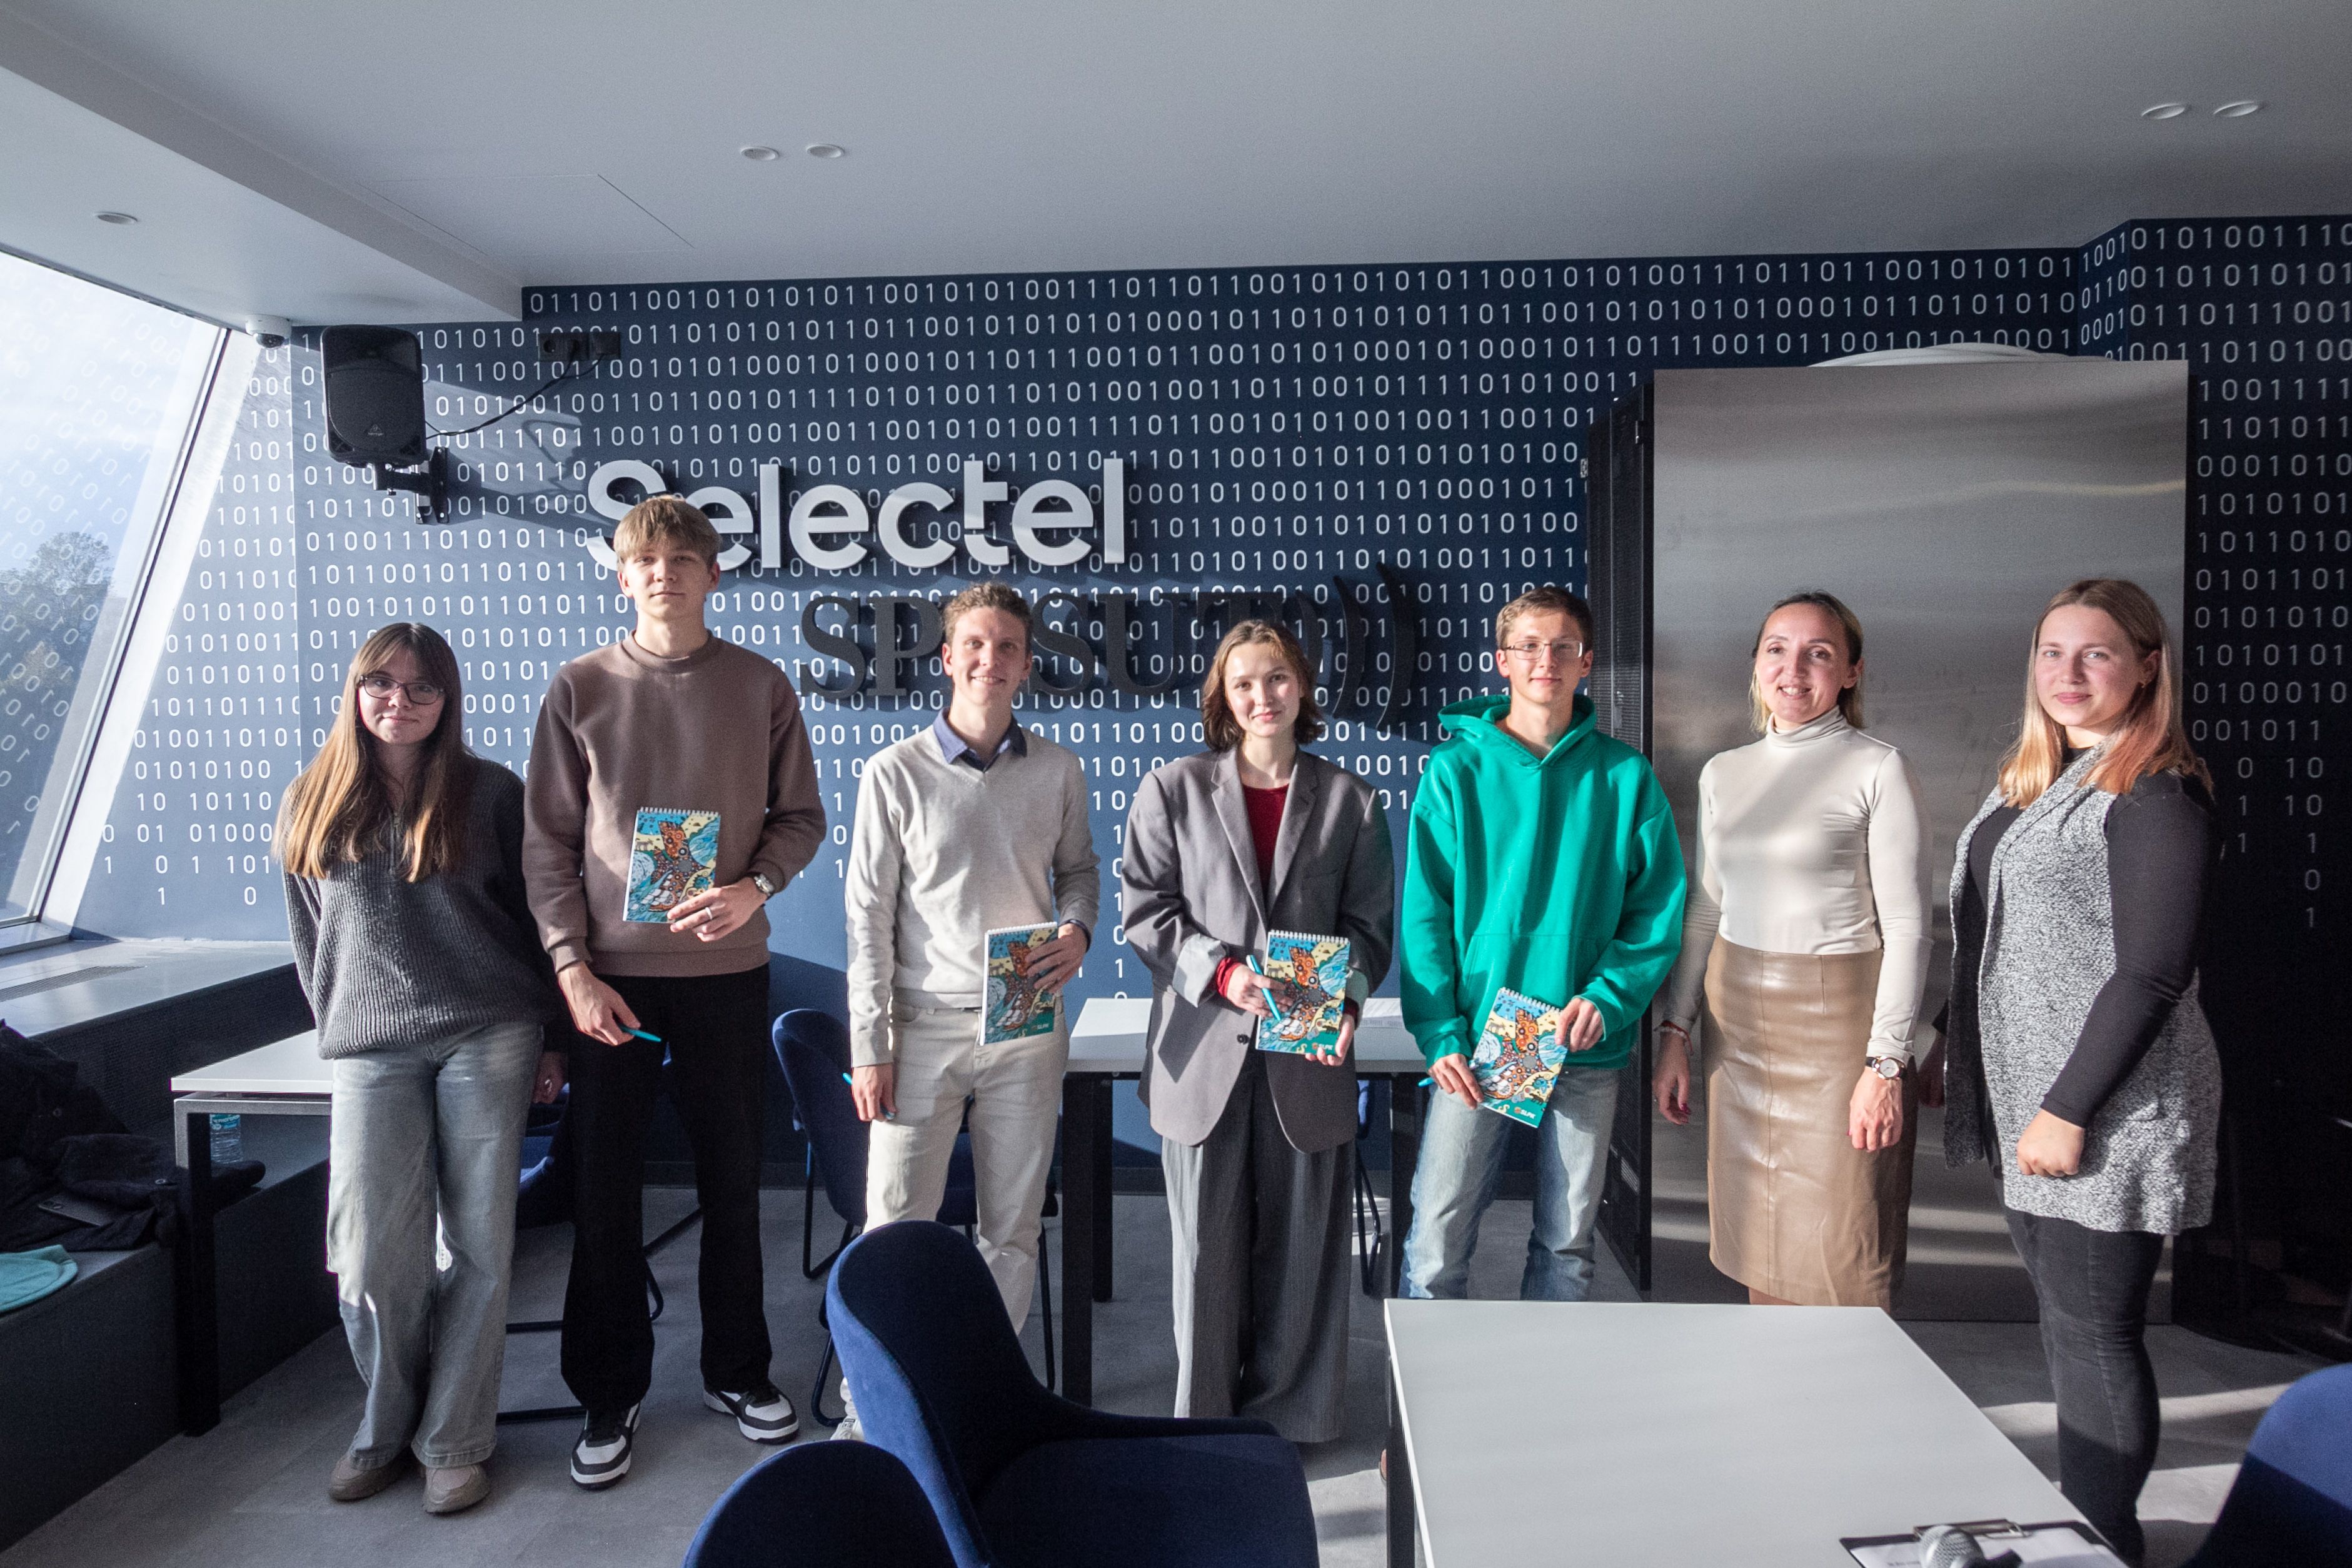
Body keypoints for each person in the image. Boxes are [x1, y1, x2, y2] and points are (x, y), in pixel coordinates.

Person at [523, 495, 825, 1489]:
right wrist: (570, 968)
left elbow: (800, 819)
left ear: (713, 575)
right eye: (647, 561)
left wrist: (754, 887)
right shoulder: (578, 687)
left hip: (725, 979)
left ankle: (737, 1372)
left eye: (683, 559)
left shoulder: (760, 684)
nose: (665, 574)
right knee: (604, 1195)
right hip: (610, 986)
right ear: (623, 577)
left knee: (732, 1185)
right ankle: (608, 1394)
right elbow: (547, 844)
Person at [1929, 578, 2219, 1566]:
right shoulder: (2041, 776)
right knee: (2065, 1323)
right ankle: (2084, 1518)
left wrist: (2066, 1108)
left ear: (2145, 666)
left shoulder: (2156, 794)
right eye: (2051, 652)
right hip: (2032, 1097)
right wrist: (1947, 1038)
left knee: (2095, 1329)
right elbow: (1997, 936)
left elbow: (2151, 973)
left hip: (2107, 1104)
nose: (2067, 673)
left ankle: (2104, 1542)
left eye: (2095, 653)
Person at [281, 623, 566, 1516]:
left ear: (448, 700)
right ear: (355, 690)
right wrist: (338, 1024)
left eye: (421, 687)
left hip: (490, 1030)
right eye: (381, 683)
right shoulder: (311, 798)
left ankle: (454, 1442)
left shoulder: (492, 792)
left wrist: (555, 1037)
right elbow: (309, 937)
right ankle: (385, 1427)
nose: (398, 701)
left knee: (480, 1245)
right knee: (369, 1255)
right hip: (371, 1046)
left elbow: (539, 918)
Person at [1122, 618, 1395, 1442]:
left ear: (1301, 685)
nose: (1262, 696)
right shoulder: (1173, 788)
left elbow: (1369, 930)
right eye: (1243, 683)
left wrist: (1345, 1002)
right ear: (1223, 697)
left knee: (1301, 1256)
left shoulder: (1351, 801)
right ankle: (1207, 1427)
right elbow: (1146, 912)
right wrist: (1221, 972)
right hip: (1202, 1055)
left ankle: (1290, 1423)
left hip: (1304, 1058)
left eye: (1275, 677)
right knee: (1205, 1259)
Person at [1399, 586, 1687, 1300]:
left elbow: (1656, 909)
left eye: (1563, 647)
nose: (1545, 660)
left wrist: (1610, 998)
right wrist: (1439, 1033)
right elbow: (1426, 913)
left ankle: (1548, 1379)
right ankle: (1433, 1379)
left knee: (1567, 1246)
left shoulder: (1625, 776)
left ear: (1587, 662)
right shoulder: (1455, 772)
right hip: (1479, 1043)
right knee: (1435, 1244)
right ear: (1502, 660)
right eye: (1528, 646)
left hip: (1582, 1038)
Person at [1652, 591, 1931, 1309]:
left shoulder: (1879, 768)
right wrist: (1676, 1032)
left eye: (1819, 653)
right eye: (1777, 649)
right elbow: (1707, 908)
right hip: (1738, 1030)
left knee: (1846, 1255)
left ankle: (1849, 1386)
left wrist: (1886, 1064)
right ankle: (1771, 1383)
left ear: (1852, 672)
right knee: (1762, 1244)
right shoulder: (1724, 772)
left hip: (1841, 1037)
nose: (1794, 668)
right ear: (1756, 663)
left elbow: (1908, 928)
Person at [843, 583, 1097, 1355]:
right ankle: (875, 1401)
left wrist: (1080, 929)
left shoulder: (1059, 769)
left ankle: (988, 1394)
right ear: (949, 658)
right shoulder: (893, 772)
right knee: (895, 1232)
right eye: (977, 645)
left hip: (1026, 1025)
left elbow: (1079, 873)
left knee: (1011, 1231)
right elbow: (867, 918)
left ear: (1027, 665)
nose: (993, 659)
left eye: (1008, 647)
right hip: (919, 1030)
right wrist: (870, 1045)